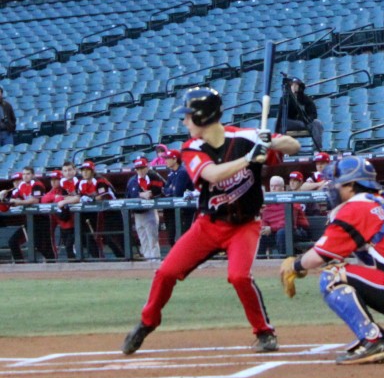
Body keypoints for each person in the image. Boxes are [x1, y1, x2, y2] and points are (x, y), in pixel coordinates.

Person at [121, 86, 300, 355]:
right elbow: (213, 174)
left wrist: (270, 141)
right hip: (209, 225)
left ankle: (264, 333)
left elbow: (294, 146)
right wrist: (249, 158)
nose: (184, 122)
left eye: (188, 116)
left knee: (239, 277)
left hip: (244, 224)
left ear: (203, 117)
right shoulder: (192, 148)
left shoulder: (246, 136)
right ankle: (147, 323)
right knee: (166, 272)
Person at [280, 156, 384, 365]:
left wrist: (295, 265)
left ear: (352, 185)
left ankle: (372, 339)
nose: (333, 188)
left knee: (332, 275)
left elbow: (320, 256)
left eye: (338, 183)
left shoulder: (355, 207)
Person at [259, 175, 309, 257]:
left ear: (283, 188)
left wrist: (271, 228)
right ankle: (259, 262)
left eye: (276, 186)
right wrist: (264, 228)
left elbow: (289, 222)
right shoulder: (268, 204)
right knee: (260, 235)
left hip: (299, 231)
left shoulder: (291, 200)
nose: (273, 188)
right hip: (277, 232)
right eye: (271, 186)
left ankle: (283, 261)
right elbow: (265, 220)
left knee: (282, 233)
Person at [125, 157, 164, 260]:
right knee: (143, 238)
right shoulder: (133, 180)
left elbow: (158, 190)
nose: (140, 171)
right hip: (138, 213)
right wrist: (141, 194)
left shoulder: (153, 176)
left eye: (142, 168)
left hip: (150, 211)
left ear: (147, 167)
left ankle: (155, 260)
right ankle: (147, 261)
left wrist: (148, 194)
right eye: (138, 169)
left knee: (152, 238)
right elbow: (129, 195)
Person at [8, 167, 47, 261]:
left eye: (28, 174)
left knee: (41, 246)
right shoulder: (21, 187)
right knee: (13, 241)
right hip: (29, 220)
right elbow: (12, 201)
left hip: (42, 218)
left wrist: (18, 202)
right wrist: (4, 197)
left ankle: (54, 267)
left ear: (33, 175)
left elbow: (35, 200)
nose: (25, 176)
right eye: (24, 174)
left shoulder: (37, 184)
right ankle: (20, 265)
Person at [275, 76, 324, 150]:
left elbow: (313, 114)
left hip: (305, 122)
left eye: (296, 85)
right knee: (278, 122)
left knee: (317, 123)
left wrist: (307, 120)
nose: (294, 87)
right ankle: (282, 149)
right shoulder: (285, 99)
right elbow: (281, 115)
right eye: (292, 85)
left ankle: (317, 149)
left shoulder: (306, 99)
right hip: (291, 123)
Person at [162, 149, 196, 247]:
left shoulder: (182, 172)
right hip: (175, 210)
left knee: (184, 237)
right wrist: (170, 189)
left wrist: (170, 190)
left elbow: (177, 192)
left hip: (185, 210)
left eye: (168, 158)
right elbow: (165, 190)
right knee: (172, 237)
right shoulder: (172, 173)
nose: (166, 161)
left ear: (175, 159)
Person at [40, 170, 76, 261]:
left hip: (71, 222)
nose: (53, 182)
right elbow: (44, 200)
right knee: (66, 246)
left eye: (56, 179)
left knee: (71, 247)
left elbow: (74, 196)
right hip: (60, 221)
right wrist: (55, 197)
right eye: (52, 180)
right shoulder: (52, 191)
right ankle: (54, 261)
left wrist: (60, 198)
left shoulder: (66, 188)